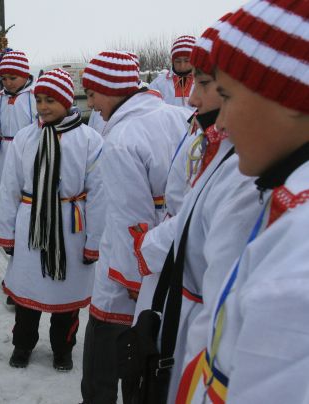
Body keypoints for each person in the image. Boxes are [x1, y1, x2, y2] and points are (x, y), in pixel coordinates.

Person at [175, 2, 309, 402]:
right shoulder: (279, 195)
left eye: (227, 96)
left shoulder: (295, 274)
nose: (221, 123)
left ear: (293, 98)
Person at [129, 14, 263, 403]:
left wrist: (152, 245)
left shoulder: (244, 170)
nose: (191, 98)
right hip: (180, 303)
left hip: (197, 316)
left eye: (205, 83)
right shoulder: (208, 141)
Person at [80, 51, 189, 403]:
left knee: (107, 356)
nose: (92, 103)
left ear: (111, 89)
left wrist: (132, 280)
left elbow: (131, 217)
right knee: (151, 351)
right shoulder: (177, 116)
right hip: (173, 250)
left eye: (93, 92)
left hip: (133, 265)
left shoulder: (121, 140)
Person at [0, 68, 105, 371]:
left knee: (66, 301)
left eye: (51, 100)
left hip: (70, 229)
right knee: (28, 298)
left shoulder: (89, 140)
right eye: (40, 99)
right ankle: (23, 345)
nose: (43, 106)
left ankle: (63, 349)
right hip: (31, 226)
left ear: (68, 101)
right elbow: (10, 188)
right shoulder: (25, 138)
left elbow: (98, 193)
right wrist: (6, 232)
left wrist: (94, 241)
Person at [0, 50, 36, 189]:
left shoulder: (36, 97)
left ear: (25, 75)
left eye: (13, 78)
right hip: (3, 156)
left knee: (28, 196)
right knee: (6, 195)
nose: (8, 83)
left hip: (29, 155)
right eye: (4, 79)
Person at [149, 36, 197, 111]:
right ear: (172, 61)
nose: (182, 66)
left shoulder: (205, 82)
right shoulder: (159, 84)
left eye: (187, 61)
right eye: (178, 61)